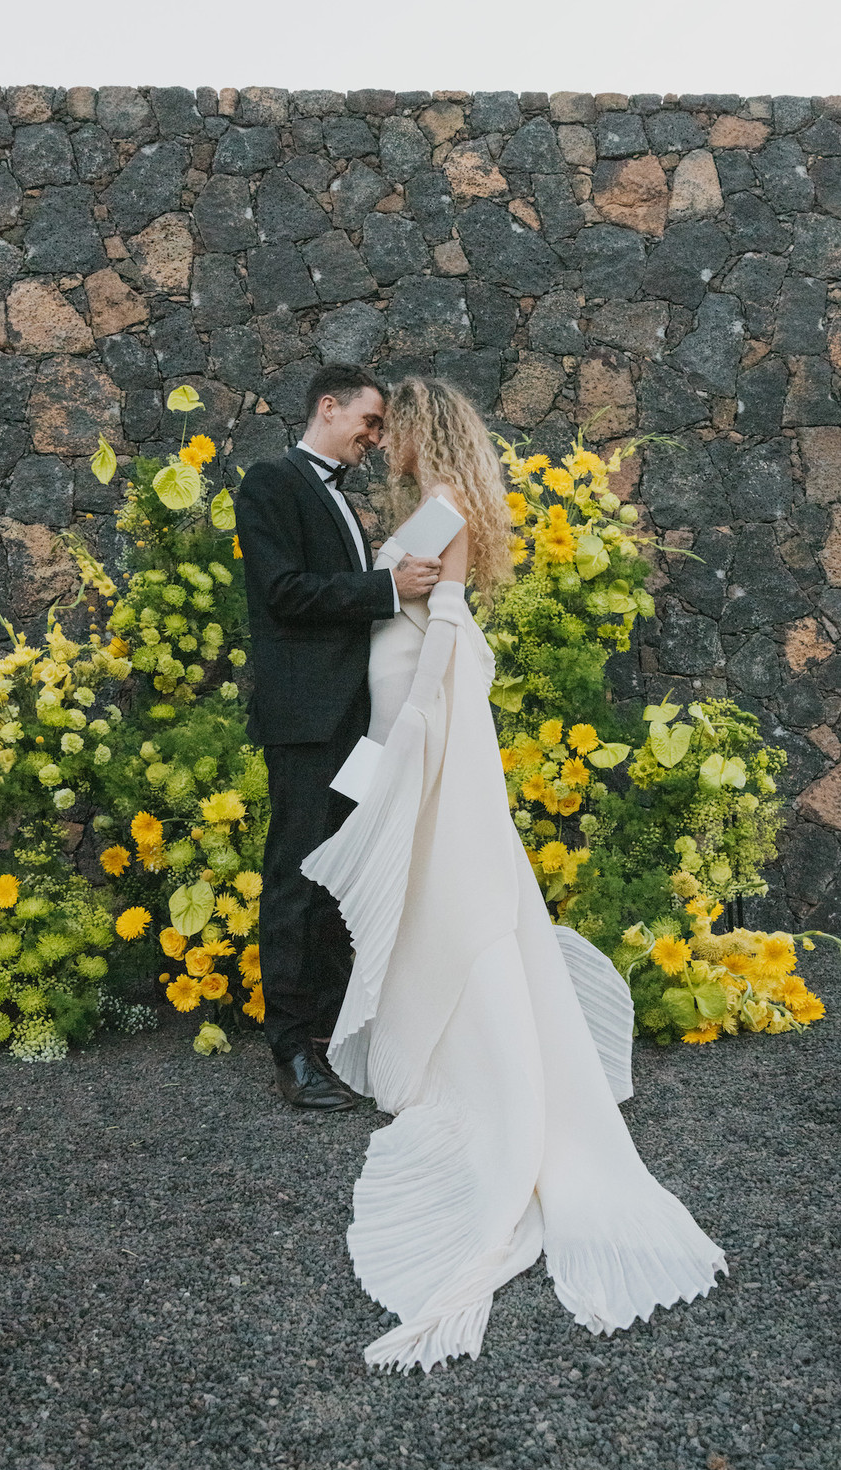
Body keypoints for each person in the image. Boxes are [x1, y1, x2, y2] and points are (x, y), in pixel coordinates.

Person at [302, 377, 726, 1372]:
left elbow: (444, 624)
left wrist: (411, 732)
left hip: (426, 708)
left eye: (386, 425)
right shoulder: (435, 504)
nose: (379, 439)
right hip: (408, 697)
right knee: (434, 880)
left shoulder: (438, 505)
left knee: (451, 875)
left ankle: (472, 1059)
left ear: (416, 429)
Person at [235, 363, 441, 1111]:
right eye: (370, 421)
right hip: (305, 724)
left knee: (335, 876)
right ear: (330, 406)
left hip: (351, 722)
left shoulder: (339, 500)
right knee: (294, 878)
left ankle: (324, 1033)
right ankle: (289, 1052)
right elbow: (284, 593)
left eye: (383, 427)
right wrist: (388, 590)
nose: (375, 437)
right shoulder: (269, 483)